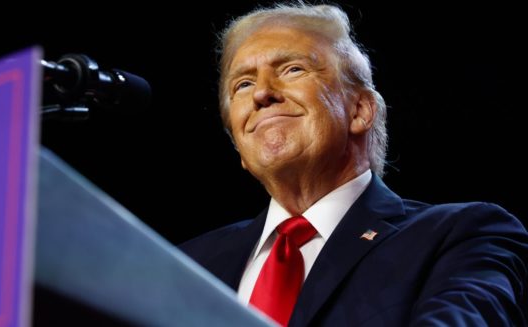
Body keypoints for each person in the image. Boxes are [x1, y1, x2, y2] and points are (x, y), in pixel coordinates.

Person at [180, 3, 528, 326]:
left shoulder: (458, 236)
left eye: (292, 69)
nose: (261, 93)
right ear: (239, 145)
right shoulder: (188, 264)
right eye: (243, 84)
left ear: (360, 111)